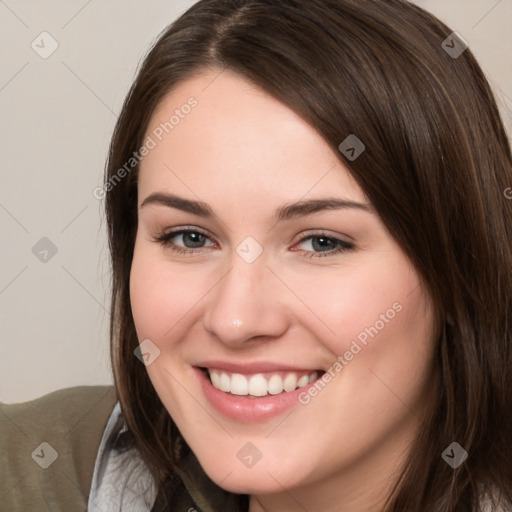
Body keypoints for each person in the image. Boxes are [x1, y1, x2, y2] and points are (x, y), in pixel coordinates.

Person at [1, 0, 511, 510]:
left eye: (321, 242)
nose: (236, 319)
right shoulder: (33, 472)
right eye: (189, 237)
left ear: (458, 268)